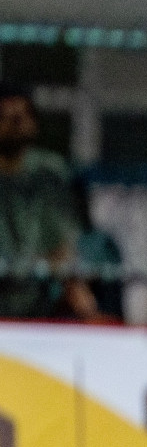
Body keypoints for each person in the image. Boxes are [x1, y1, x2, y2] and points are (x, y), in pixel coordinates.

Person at [0, 82, 97, 321]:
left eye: (24, 115)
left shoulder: (49, 173)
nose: (17, 124)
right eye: (8, 117)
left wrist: (73, 286)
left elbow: (62, 244)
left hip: (39, 296)